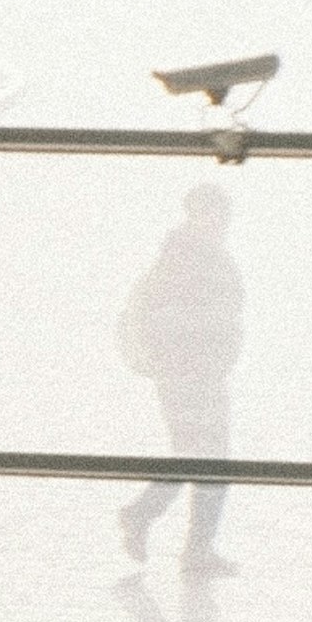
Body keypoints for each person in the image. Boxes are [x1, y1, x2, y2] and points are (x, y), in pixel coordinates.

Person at [119, 182, 242, 574]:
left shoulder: (207, 259)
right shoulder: (182, 262)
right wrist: (192, 357)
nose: (220, 223)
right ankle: (184, 541)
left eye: (222, 216)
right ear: (196, 216)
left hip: (204, 375)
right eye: (213, 215)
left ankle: (152, 522)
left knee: (199, 454)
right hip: (187, 376)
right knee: (205, 456)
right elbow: (171, 322)